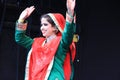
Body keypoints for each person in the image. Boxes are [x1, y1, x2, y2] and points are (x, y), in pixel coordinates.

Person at [15, 0, 76, 80]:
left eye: (45, 25)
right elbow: (19, 38)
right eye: (41, 25)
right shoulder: (37, 43)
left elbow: (68, 34)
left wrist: (70, 13)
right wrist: (21, 20)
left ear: (55, 28)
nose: (42, 28)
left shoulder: (60, 44)